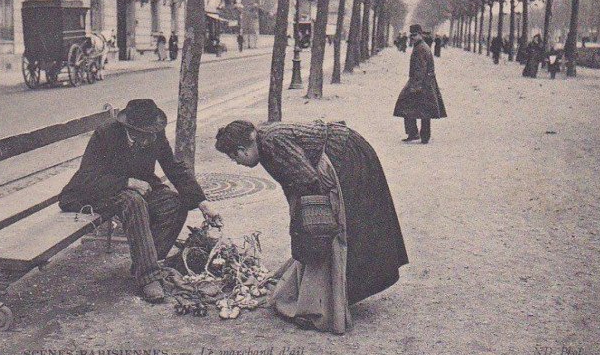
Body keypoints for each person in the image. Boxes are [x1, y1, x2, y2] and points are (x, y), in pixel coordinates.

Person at [214, 119, 408, 334]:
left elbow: (308, 179)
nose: (236, 163)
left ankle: (334, 297)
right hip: (343, 153)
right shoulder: (264, 142)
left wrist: (309, 226)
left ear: (242, 150)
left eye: (234, 157)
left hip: (348, 157)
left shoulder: (271, 142)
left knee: (345, 227)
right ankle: (335, 292)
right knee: (335, 229)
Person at [59, 99, 222, 303]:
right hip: (100, 193)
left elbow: (173, 167)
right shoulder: (106, 134)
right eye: (145, 135)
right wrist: (128, 182)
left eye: (153, 134)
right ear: (131, 129)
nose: (151, 140)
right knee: (134, 201)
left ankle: (148, 262)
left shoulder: (154, 133)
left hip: (138, 189)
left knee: (175, 202)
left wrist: (202, 202)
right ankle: (147, 277)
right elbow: (87, 178)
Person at [393, 24, 447, 144]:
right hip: (425, 82)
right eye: (411, 35)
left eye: (415, 35)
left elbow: (420, 69)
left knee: (410, 106)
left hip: (422, 83)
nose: (412, 37)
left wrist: (415, 86)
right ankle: (420, 134)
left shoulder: (421, 48)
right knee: (423, 109)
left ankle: (419, 135)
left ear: (420, 34)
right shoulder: (421, 46)